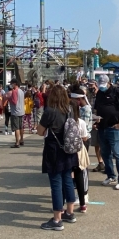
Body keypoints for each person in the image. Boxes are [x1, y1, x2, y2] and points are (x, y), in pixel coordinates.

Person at [38, 84, 80, 230]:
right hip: (69, 149)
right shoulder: (70, 109)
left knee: (56, 184)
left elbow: (40, 131)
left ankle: (57, 219)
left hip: (54, 150)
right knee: (68, 180)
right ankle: (70, 212)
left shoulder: (50, 111)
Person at [94, 74, 119, 189]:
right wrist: (95, 120)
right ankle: (111, 175)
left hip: (113, 127)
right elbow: (96, 108)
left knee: (117, 153)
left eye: (104, 85)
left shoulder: (116, 91)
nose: (102, 87)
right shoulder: (99, 93)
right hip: (102, 127)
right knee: (105, 153)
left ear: (109, 83)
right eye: (100, 85)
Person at [7, 80, 26, 148]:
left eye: (11, 83)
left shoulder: (14, 91)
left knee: (16, 128)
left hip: (15, 111)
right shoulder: (21, 91)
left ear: (15, 84)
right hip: (21, 111)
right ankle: (22, 140)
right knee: (21, 127)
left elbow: (14, 101)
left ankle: (17, 142)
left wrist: (9, 98)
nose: (11, 85)